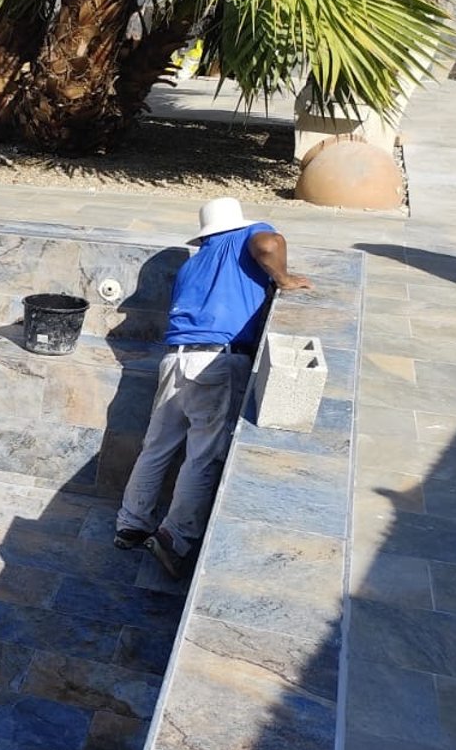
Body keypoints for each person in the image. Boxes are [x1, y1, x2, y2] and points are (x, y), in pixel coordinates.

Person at [114, 196, 310, 579]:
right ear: (237, 224)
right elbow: (269, 246)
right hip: (217, 360)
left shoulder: (194, 264)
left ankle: (131, 523)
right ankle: (174, 537)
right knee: (203, 453)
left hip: (175, 357)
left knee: (157, 446)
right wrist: (283, 279)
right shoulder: (249, 234)